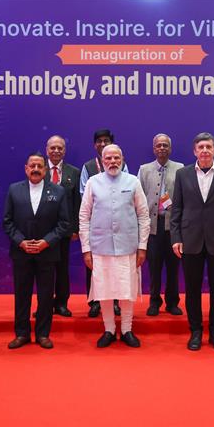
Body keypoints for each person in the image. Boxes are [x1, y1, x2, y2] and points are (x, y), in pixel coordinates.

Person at [171, 133, 214, 351]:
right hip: (190, 240)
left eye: (208, 147)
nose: (204, 150)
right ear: (194, 151)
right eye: (200, 146)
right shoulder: (183, 175)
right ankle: (195, 331)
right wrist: (176, 238)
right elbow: (177, 210)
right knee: (192, 290)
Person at [79, 144, 149, 348]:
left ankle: (127, 329)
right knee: (104, 290)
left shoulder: (133, 181)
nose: (112, 162)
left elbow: (143, 216)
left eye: (116, 158)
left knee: (127, 290)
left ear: (122, 159)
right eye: (108, 158)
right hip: (100, 247)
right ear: (101, 161)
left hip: (128, 247)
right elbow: (84, 217)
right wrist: (86, 249)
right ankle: (109, 329)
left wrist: (142, 246)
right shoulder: (93, 182)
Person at [4, 153, 69, 349]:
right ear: (26, 168)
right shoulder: (14, 190)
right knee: (21, 295)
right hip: (21, 252)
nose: (35, 169)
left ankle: (42, 334)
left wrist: (46, 242)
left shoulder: (58, 191)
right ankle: (22, 333)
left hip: (47, 253)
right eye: (32, 165)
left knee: (46, 295)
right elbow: (7, 222)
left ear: (45, 169)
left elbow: (64, 223)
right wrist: (21, 242)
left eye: (39, 166)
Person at [80, 129, 127, 318]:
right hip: (96, 224)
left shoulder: (122, 165)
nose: (102, 144)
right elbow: (84, 194)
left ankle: (115, 302)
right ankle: (94, 302)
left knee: (114, 266)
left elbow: (126, 189)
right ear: (94, 145)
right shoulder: (88, 166)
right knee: (94, 266)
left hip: (118, 226)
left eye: (106, 140)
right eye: (99, 141)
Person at [138, 133, 184, 316]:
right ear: (154, 148)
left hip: (172, 226)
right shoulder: (144, 169)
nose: (162, 148)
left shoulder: (180, 169)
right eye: (159, 145)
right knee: (154, 267)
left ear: (170, 149)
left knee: (173, 267)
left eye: (165, 145)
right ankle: (154, 301)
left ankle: (172, 302)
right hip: (152, 226)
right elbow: (138, 198)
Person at [45, 135, 81, 317]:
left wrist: (76, 228)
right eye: (53, 148)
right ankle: (44, 305)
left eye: (60, 148)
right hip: (42, 232)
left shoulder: (74, 172)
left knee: (62, 268)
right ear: (47, 150)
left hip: (65, 230)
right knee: (44, 269)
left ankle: (61, 303)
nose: (56, 151)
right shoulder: (38, 169)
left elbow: (77, 203)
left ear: (64, 151)